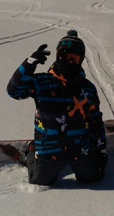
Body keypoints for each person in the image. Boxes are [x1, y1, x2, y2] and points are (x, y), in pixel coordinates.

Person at [7, 30, 107, 186]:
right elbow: (14, 91)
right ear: (59, 56)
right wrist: (29, 64)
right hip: (49, 149)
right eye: (67, 57)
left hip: (80, 149)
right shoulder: (42, 81)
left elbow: (96, 120)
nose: (71, 62)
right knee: (39, 181)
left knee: (95, 178)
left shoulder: (87, 88)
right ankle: (32, 150)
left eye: (75, 58)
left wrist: (101, 149)